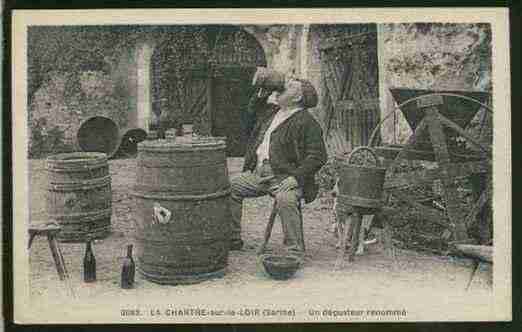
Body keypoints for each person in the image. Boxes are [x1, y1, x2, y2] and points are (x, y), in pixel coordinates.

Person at [229, 78, 327, 260]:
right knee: (230, 187)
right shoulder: (272, 112)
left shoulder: (307, 122)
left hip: (284, 178)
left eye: (289, 87)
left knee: (286, 199)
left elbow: (317, 156)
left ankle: (294, 252)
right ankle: (233, 239)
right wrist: (261, 95)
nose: (282, 88)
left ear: (298, 97)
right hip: (259, 175)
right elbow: (248, 119)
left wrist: (296, 178)